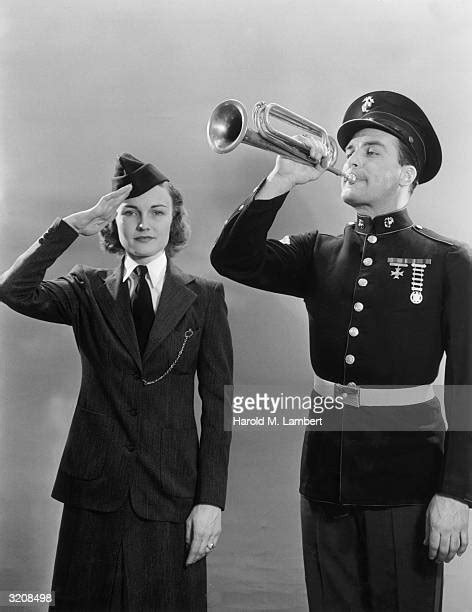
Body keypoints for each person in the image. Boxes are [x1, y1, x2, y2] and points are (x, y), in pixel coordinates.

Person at [210, 91, 472, 611]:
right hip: (325, 475)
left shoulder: (449, 262)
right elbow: (232, 259)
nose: (352, 158)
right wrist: (280, 180)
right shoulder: (318, 253)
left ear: (407, 175)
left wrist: (458, 492)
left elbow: (468, 387)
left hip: (408, 482)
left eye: (372, 150)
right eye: (350, 149)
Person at [0, 153, 233, 611]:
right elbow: (13, 290)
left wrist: (211, 502)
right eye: (130, 212)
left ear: (175, 220)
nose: (144, 224)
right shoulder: (86, 289)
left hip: (170, 495)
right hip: (93, 492)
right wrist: (71, 226)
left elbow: (219, 405)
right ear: (114, 221)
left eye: (157, 211)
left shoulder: (204, 297)